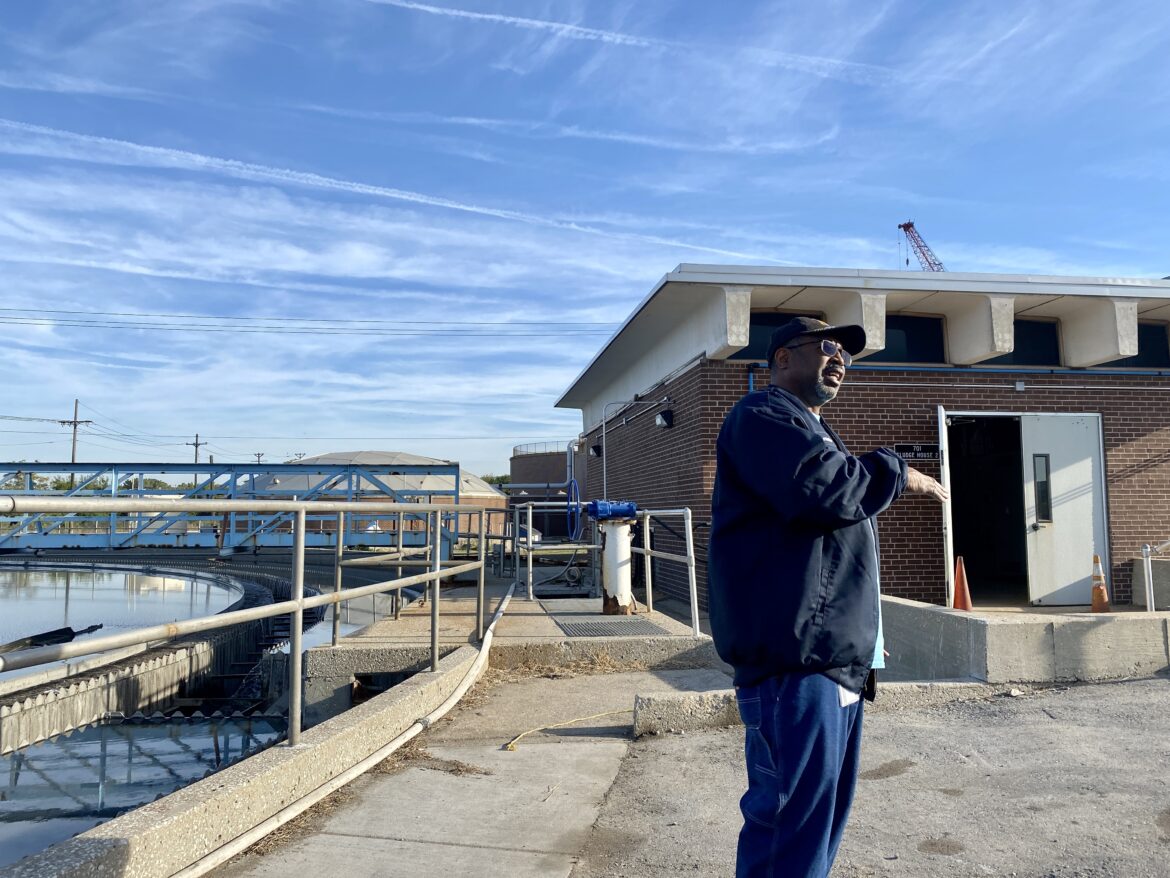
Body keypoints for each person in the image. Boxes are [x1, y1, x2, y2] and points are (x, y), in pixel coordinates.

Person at [708, 316, 948, 878]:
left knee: (816, 827)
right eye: (827, 347)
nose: (840, 358)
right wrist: (899, 470)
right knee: (788, 831)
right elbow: (828, 492)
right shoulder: (761, 416)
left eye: (846, 353)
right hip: (796, 669)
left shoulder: (814, 432)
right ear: (783, 359)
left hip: (835, 665)